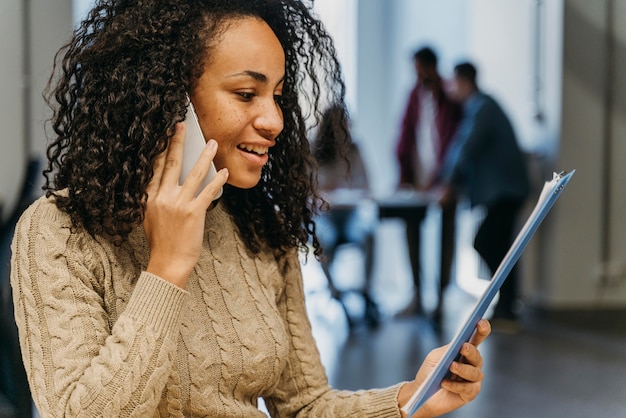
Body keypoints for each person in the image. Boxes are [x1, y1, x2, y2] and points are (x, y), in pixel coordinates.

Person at [10, 1, 490, 416]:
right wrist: (166, 270)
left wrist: (413, 398)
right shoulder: (60, 233)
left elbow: (305, 407)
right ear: (166, 97)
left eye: (278, 96)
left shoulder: (259, 227)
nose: (275, 120)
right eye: (246, 94)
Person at [440, 62, 530, 329]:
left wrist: (446, 182)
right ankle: (506, 307)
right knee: (500, 248)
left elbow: (465, 147)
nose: (450, 89)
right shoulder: (480, 106)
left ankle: (508, 306)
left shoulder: (482, 108)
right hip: (505, 191)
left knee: (489, 244)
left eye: (453, 83)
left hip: (507, 191)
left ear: (464, 81)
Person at [395, 46, 462, 321]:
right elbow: (405, 134)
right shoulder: (413, 95)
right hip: (417, 181)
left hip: (445, 181)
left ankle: (442, 298)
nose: (418, 74)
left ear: (432, 67)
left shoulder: (449, 96)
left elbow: (457, 141)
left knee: (447, 236)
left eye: (421, 68)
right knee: (411, 232)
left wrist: (448, 180)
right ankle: (417, 294)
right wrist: (404, 176)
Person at [312, 104, 379, 328]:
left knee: (369, 234)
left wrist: (348, 187)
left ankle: (366, 293)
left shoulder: (355, 150)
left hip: (351, 215)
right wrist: (324, 189)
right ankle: (335, 292)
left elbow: (368, 186)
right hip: (325, 216)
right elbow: (305, 188)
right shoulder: (316, 150)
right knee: (322, 240)